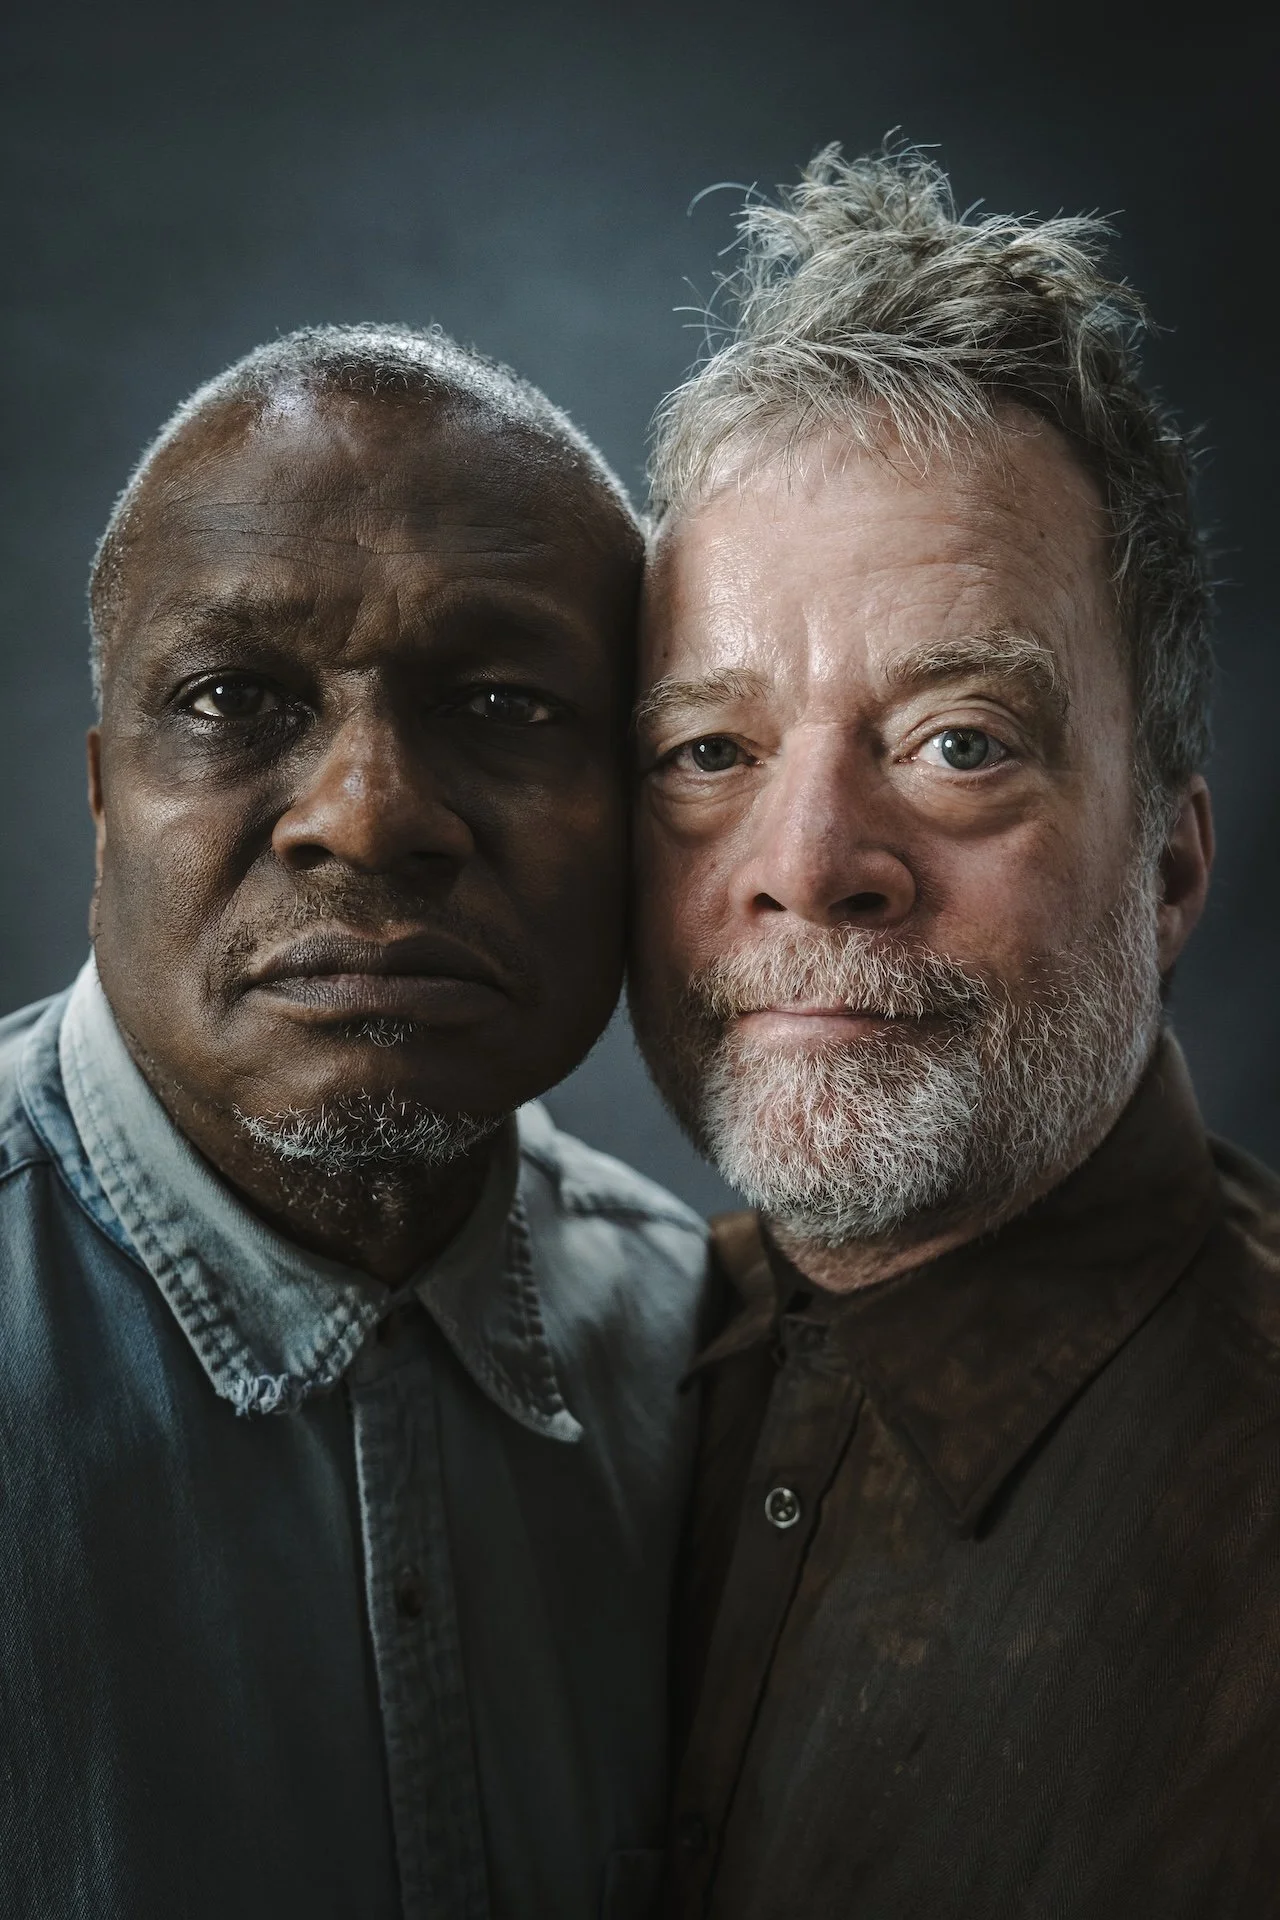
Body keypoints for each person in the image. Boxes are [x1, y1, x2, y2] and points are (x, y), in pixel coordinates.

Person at [629, 149, 1280, 1918]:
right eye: (712, 752)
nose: (809, 867)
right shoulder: (592, 1375)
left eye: (960, 740)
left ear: (1168, 866)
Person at [0, 323, 709, 1920]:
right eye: (235, 696)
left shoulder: (713, 1364)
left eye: (509, 705)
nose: (370, 814)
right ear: (105, 798)